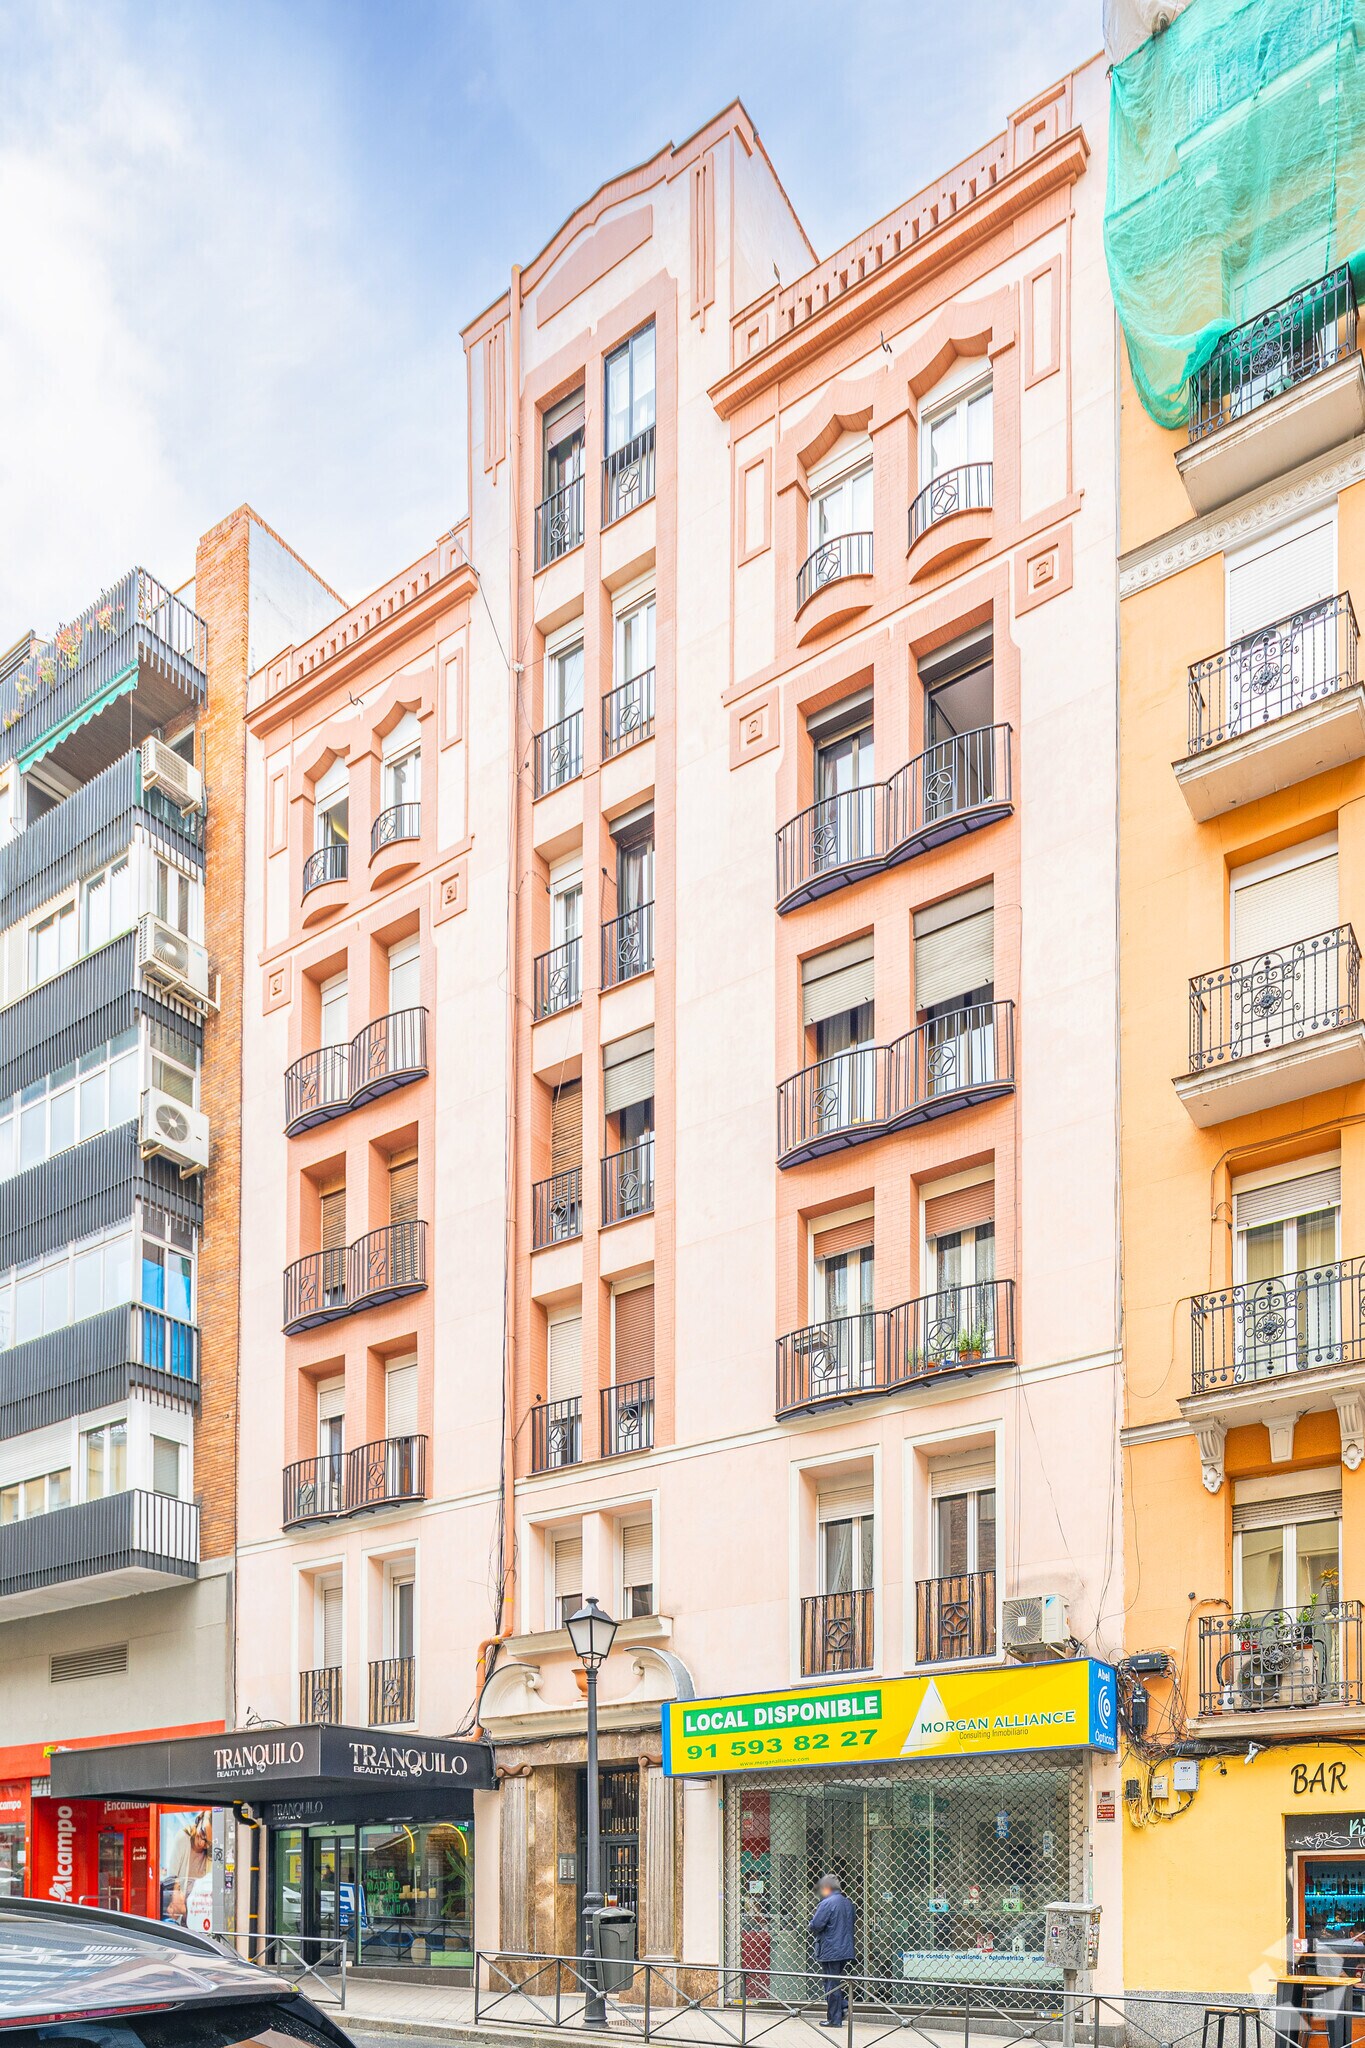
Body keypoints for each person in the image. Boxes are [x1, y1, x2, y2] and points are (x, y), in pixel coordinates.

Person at [809, 1873, 856, 2030]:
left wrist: (812, 1927)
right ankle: (842, 2006)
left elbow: (816, 1924)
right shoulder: (847, 1902)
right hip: (845, 1949)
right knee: (834, 1981)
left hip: (830, 1949)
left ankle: (834, 2019)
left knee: (831, 1984)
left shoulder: (827, 1903)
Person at [162, 1812, 212, 1925]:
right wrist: (177, 1904)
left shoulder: (210, 1855)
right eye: (203, 1832)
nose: (202, 1842)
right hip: (179, 1906)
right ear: (199, 1820)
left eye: (208, 1842)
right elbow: (172, 1876)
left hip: (198, 1909)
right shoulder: (182, 1838)